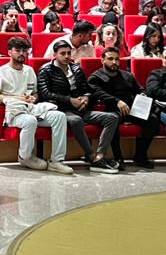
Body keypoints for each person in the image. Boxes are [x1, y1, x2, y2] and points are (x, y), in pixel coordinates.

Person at [37, 38, 121, 173]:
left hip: (80, 108)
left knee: (112, 118)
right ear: (55, 54)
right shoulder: (46, 70)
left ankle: (100, 155)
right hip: (61, 110)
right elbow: (45, 94)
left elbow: (87, 89)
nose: (66, 56)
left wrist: (86, 98)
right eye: (62, 53)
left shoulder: (76, 68)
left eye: (68, 53)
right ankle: (91, 156)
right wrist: (70, 100)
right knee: (76, 120)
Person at [0, 36, 65, 172]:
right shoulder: (0, 72)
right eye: (18, 50)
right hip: (12, 111)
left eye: (24, 50)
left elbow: (35, 93)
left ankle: (57, 160)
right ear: (10, 52)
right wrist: (17, 98)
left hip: (31, 108)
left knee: (59, 116)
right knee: (30, 121)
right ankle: (25, 156)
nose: (22, 54)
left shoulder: (29, 70)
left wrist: (33, 98)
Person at [88, 47, 157, 168]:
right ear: (102, 60)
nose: (114, 62)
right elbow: (98, 93)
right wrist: (117, 101)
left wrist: (142, 94)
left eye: (116, 59)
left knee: (152, 120)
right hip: (110, 109)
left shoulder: (127, 75)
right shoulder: (95, 77)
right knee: (113, 120)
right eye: (110, 59)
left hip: (130, 108)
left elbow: (139, 88)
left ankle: (140, 156)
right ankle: (118, 157)